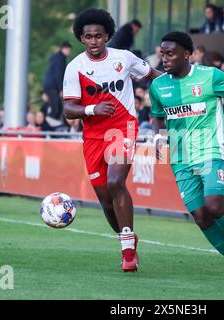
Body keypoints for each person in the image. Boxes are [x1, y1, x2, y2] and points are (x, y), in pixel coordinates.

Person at [150, 31, 224, 288]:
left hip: (211, 150)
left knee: (214, 205)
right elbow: (157, 117)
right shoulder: (158, 86)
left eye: (171, 54)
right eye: (162, 54)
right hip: (180, 158)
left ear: (187, 54)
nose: (165, 59)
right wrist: (158, 138)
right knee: (201, 216)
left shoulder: (210, 76)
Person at [62, 9, 161, 272]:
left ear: (107, 36)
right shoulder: (75, 67)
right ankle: (127, 238)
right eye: (88, 37)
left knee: (116, 182)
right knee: (105, 199)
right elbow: (69, 109)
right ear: (81, 38)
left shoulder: (124, 58)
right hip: (93, 135)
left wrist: (179, 87)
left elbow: (151, 73)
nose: (94, 41)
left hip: (123, 127)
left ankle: (127, 253)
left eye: (99, 36)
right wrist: (92, 109)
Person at [43, 42, 72, 121]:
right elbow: (58, 75)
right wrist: (61, 89)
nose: (70, 52)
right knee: (56, 109)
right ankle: (49, 126)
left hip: (50, 86)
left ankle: (49, 123)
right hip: (53, 87)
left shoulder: (56, 57)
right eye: (69, 50)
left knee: (56, 108)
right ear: (65, 49)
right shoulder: (60, 59)